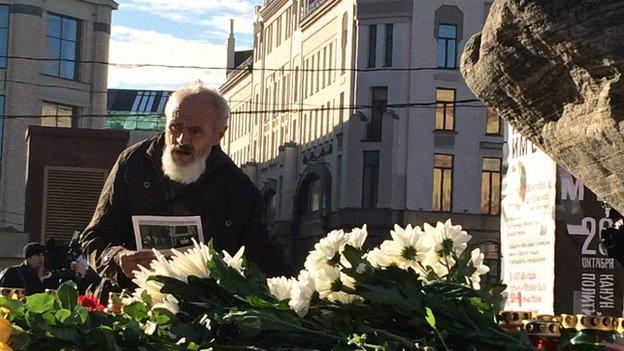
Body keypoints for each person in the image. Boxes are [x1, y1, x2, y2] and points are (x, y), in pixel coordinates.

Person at [80, 82, 283, 292]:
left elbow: (264, 259)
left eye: (195, 131)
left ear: (219, 134)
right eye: (175, 127)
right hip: (128, 300)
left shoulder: (238, 188)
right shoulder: (133, 163)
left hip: (202, 313)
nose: (181, 140)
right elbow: (92, 238)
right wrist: (117, 257)